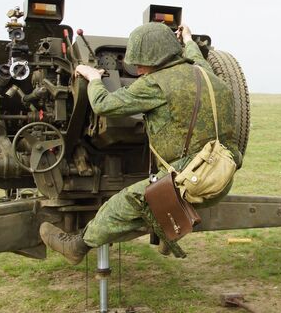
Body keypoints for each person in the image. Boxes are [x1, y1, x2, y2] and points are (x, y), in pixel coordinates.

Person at [39, 22, 242, 264]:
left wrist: (93, 78)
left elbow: (104, 105)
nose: (138, 69)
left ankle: (76, 246)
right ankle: (168, 231)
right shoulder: (205, 73)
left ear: (155, 59)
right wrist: (188, 40)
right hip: (221, 174)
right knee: (156, 192)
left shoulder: (155, 84)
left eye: (140, 64)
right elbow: (196, 57)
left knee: (124, 204)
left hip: (191, 182)